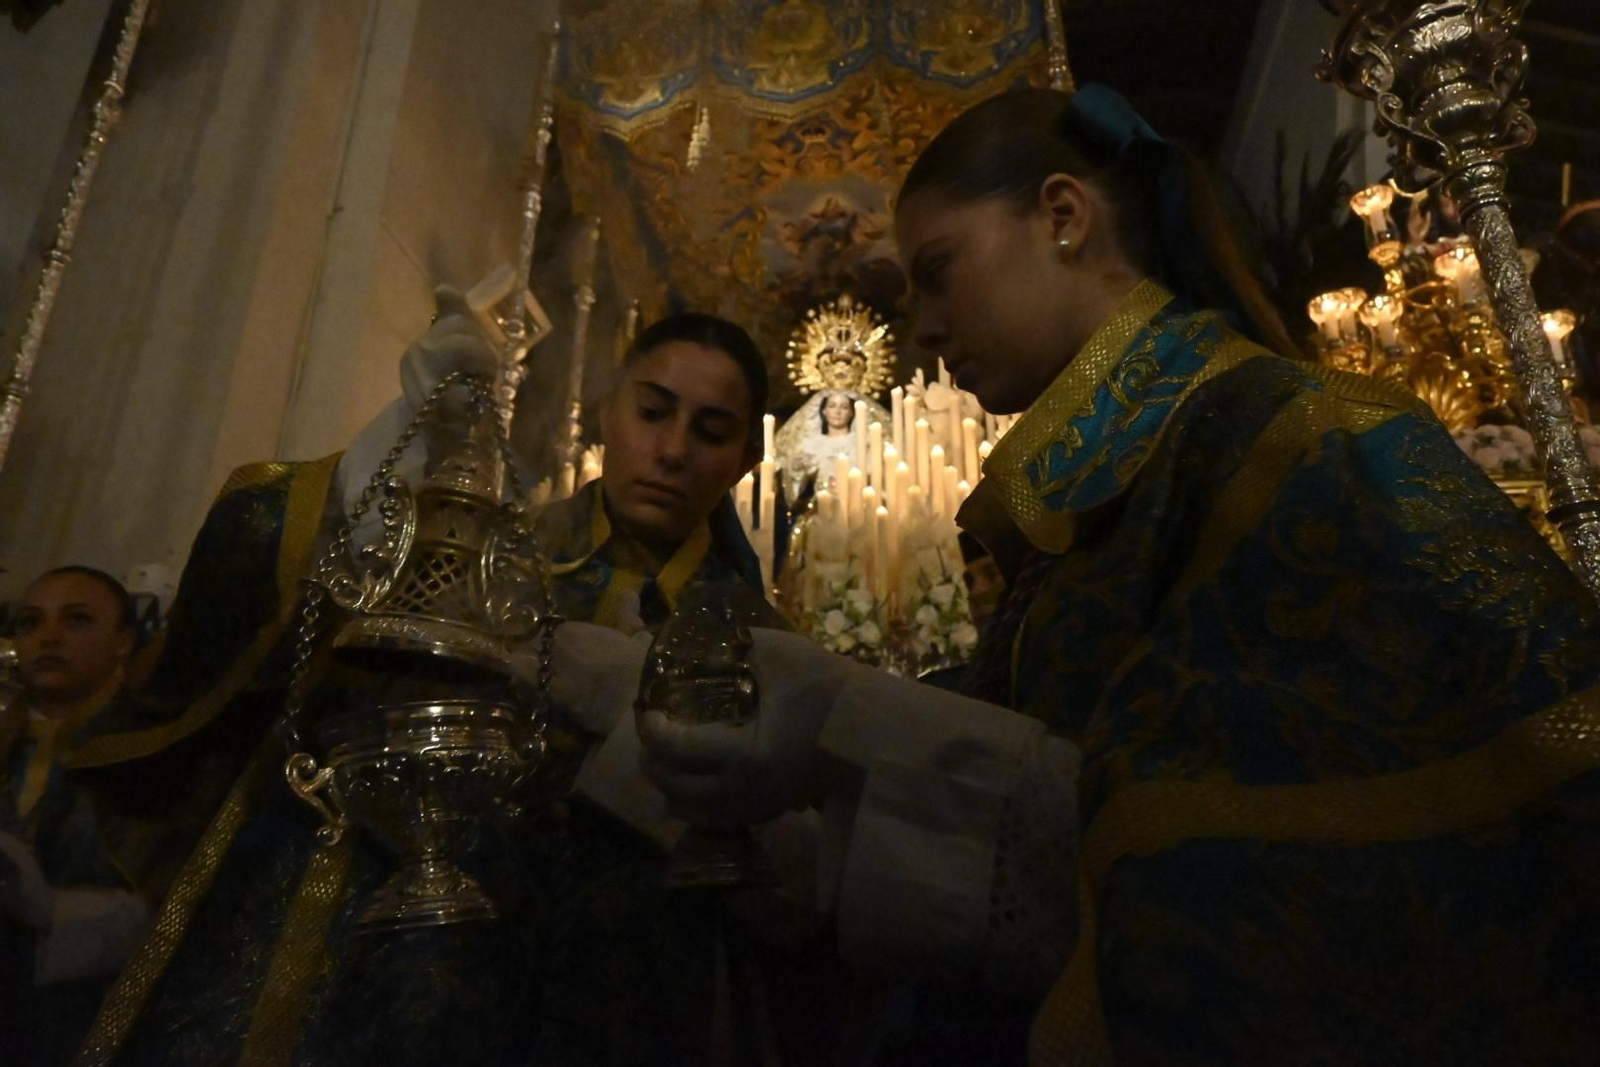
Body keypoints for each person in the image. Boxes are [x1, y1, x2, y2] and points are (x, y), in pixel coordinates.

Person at [559, 85, 1600, 1065]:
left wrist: (846, 718)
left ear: (1062, 215)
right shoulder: (1103, 494)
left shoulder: (1293, 433)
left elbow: (1241, 841)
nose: (923, 327)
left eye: (938, 270)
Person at [76, 301, 846, 1066]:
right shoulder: (485, 550)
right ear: (608, 411)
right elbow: (303, 662)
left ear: (747, 457)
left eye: (710, 431)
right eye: (653, 411)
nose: (672, 450)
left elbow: (803, 888)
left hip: (644, 989)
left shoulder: (764, 643)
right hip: (434, 964)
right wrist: (372, 479)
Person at [2, 568, 157, 1066]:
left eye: (77, 620)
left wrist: (52, 910)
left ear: (122, 642)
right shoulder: (9, 739)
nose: (48, 637)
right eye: (30, 622)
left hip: (94, 1019)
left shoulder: (150, 756)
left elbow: (177, 900)